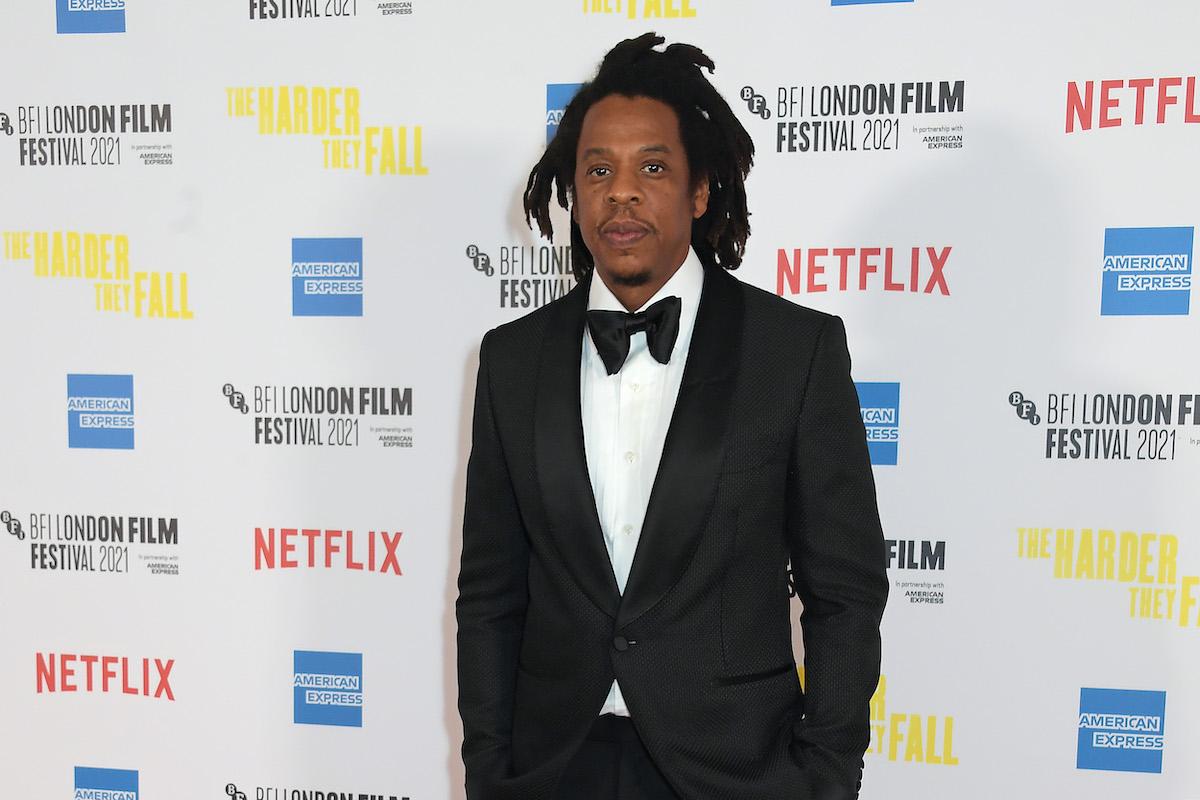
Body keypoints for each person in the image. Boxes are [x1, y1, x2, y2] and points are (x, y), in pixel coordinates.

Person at [457, 33, 888, 800]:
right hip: (555, 767)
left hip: (735, 771)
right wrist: (491, 771)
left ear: (699, 191)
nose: (621, 192)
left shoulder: (795, 351)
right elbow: (491, 594)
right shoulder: (510, 360)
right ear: (573, 190)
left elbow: (844, 591)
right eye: (598, 170)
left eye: (652, 167)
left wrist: (824, 777)